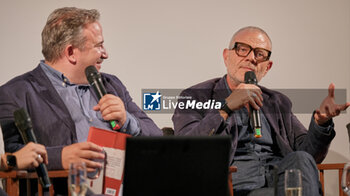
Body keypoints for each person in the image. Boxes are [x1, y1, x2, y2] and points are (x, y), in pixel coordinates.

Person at [0, 7, 162, 194]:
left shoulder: (111, 84)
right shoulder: (16, 92)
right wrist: (60, 157)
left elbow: (158, 140)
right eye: (98, 46)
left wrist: (128, 120)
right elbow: (16, 157)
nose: (105, 54)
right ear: (71, 52)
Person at [172, 26, 350, 195]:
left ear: (267, 67)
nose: (251, 58)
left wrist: (321, 123)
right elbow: (186, 150)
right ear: (226, 56)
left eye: (260, 54)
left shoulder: (278, 102)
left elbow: (309, 156)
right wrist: (226, 107)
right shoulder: (197, 96)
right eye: (242, 49)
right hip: (235, 187)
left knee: (300, 159)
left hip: (281, 182)